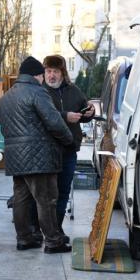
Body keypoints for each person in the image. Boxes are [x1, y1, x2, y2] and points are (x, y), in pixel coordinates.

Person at [0, 56, 73, 254]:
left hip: (15, 156)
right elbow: (54, 121)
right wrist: (68, 140)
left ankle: (25, 238)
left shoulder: (7, 96)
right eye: (42, 75)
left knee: (21, 198)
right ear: (37, 75)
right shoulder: (37, 92)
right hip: (39, 155)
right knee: (46, 199)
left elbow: (4, 128)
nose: (43, 79)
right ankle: (53, 241)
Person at [43, 55, 95, 234]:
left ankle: (56, 229)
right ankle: (47, 230)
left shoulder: (74, 90)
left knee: (63, 191)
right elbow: (41, 116)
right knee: (48, 194)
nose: (51, 75)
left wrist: (90, 112)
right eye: (48, 71)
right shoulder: (40, 91)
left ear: (63, 73)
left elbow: (85, 109)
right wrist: (65, 116)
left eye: (55, 71)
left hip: (69, 149)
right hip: (47, 150)